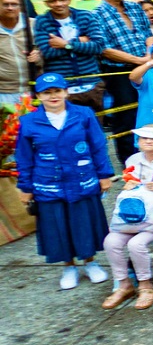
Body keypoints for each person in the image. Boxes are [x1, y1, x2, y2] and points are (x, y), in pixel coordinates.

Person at [16, 73, 117, 290]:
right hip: (47, 183)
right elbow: (24, 157)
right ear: (38, 96)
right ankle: (68, 266)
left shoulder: (83, 114)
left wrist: (104, 174)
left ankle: (90, 261)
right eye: (47, 93)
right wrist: (25, 187)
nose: (53, 96)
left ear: (66, 92)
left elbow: (98, 145)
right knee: (57, 225)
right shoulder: (29, 121)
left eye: (57, 91)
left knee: (84, 222)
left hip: (81, 179)